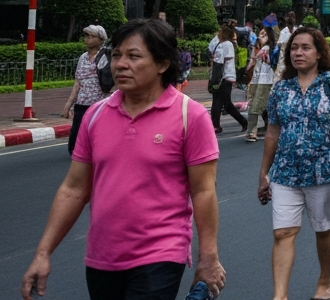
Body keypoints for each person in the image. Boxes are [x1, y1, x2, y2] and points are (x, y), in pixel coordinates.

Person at [22, 19, 224, 300]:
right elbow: (74, 189)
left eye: (133, 56)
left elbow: (203, 191)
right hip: (102, 256)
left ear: (163, 64)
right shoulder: (94, 116)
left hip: (161, 253)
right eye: (116, 55)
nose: (119, 64)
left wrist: (208, 259)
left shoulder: (190, 116)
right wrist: (42, 254)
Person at [258, 27, 330, 300]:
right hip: (285, 173)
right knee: (282, 232)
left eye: (305, 47)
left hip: (324, 171)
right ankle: (279, 296)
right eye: (294, 48)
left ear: (319, 53)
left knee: (323, 228)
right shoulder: (281, 88)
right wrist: (264, 173)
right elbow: (272, 132)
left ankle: (324, 280)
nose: (298, 52)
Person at [61, 24, 109, 155]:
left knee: (97, 132)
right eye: (86, 36)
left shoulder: (106, 56)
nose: (87, 39)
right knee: (76, 134)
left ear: (100, 39)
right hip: (82, 102)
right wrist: (68, 104)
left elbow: (112, 81)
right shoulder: (83, 57)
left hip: (100, 103)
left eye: (91, 36)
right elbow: (78, 82)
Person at [208, 24, 247, 135]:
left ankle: (216, 125)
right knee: (225, 103)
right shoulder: (231, 44)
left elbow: (218, 64)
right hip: (229, 77)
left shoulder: (222, 45)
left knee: (219, 102)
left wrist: (214, 80)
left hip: (222, 78)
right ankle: (242, 122)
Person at [244, 25, 278, 142]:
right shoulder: (262, 48)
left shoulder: (268, 49)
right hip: (259, 79)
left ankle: (251, 132)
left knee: (255, 105)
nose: (260, 36)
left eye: (264, 34)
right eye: (260, 33)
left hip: (265, 80)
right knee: (263, 105)